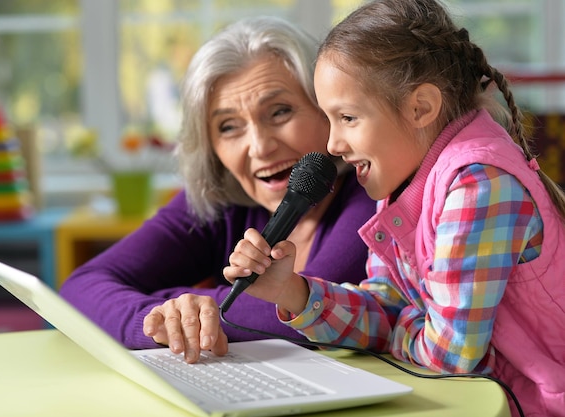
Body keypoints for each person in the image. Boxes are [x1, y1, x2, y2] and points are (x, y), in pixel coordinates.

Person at [223, 1, 565, 416]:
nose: (331, 145)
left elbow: (450, 356)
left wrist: (395, 327)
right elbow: (387, 303)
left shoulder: (479, 185)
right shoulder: (403, 185)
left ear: (420, 107)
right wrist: (293, 292)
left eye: (347, 117)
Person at [59, 16, 376, 364]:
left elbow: (307, 313)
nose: (258, 147)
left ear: (327, 109)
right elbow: (81, 287)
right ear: (211, 147)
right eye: (229, 127)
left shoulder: (371, 196)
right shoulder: (220, 201)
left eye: (280, 112)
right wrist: (162, 318)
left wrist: (197, 307)